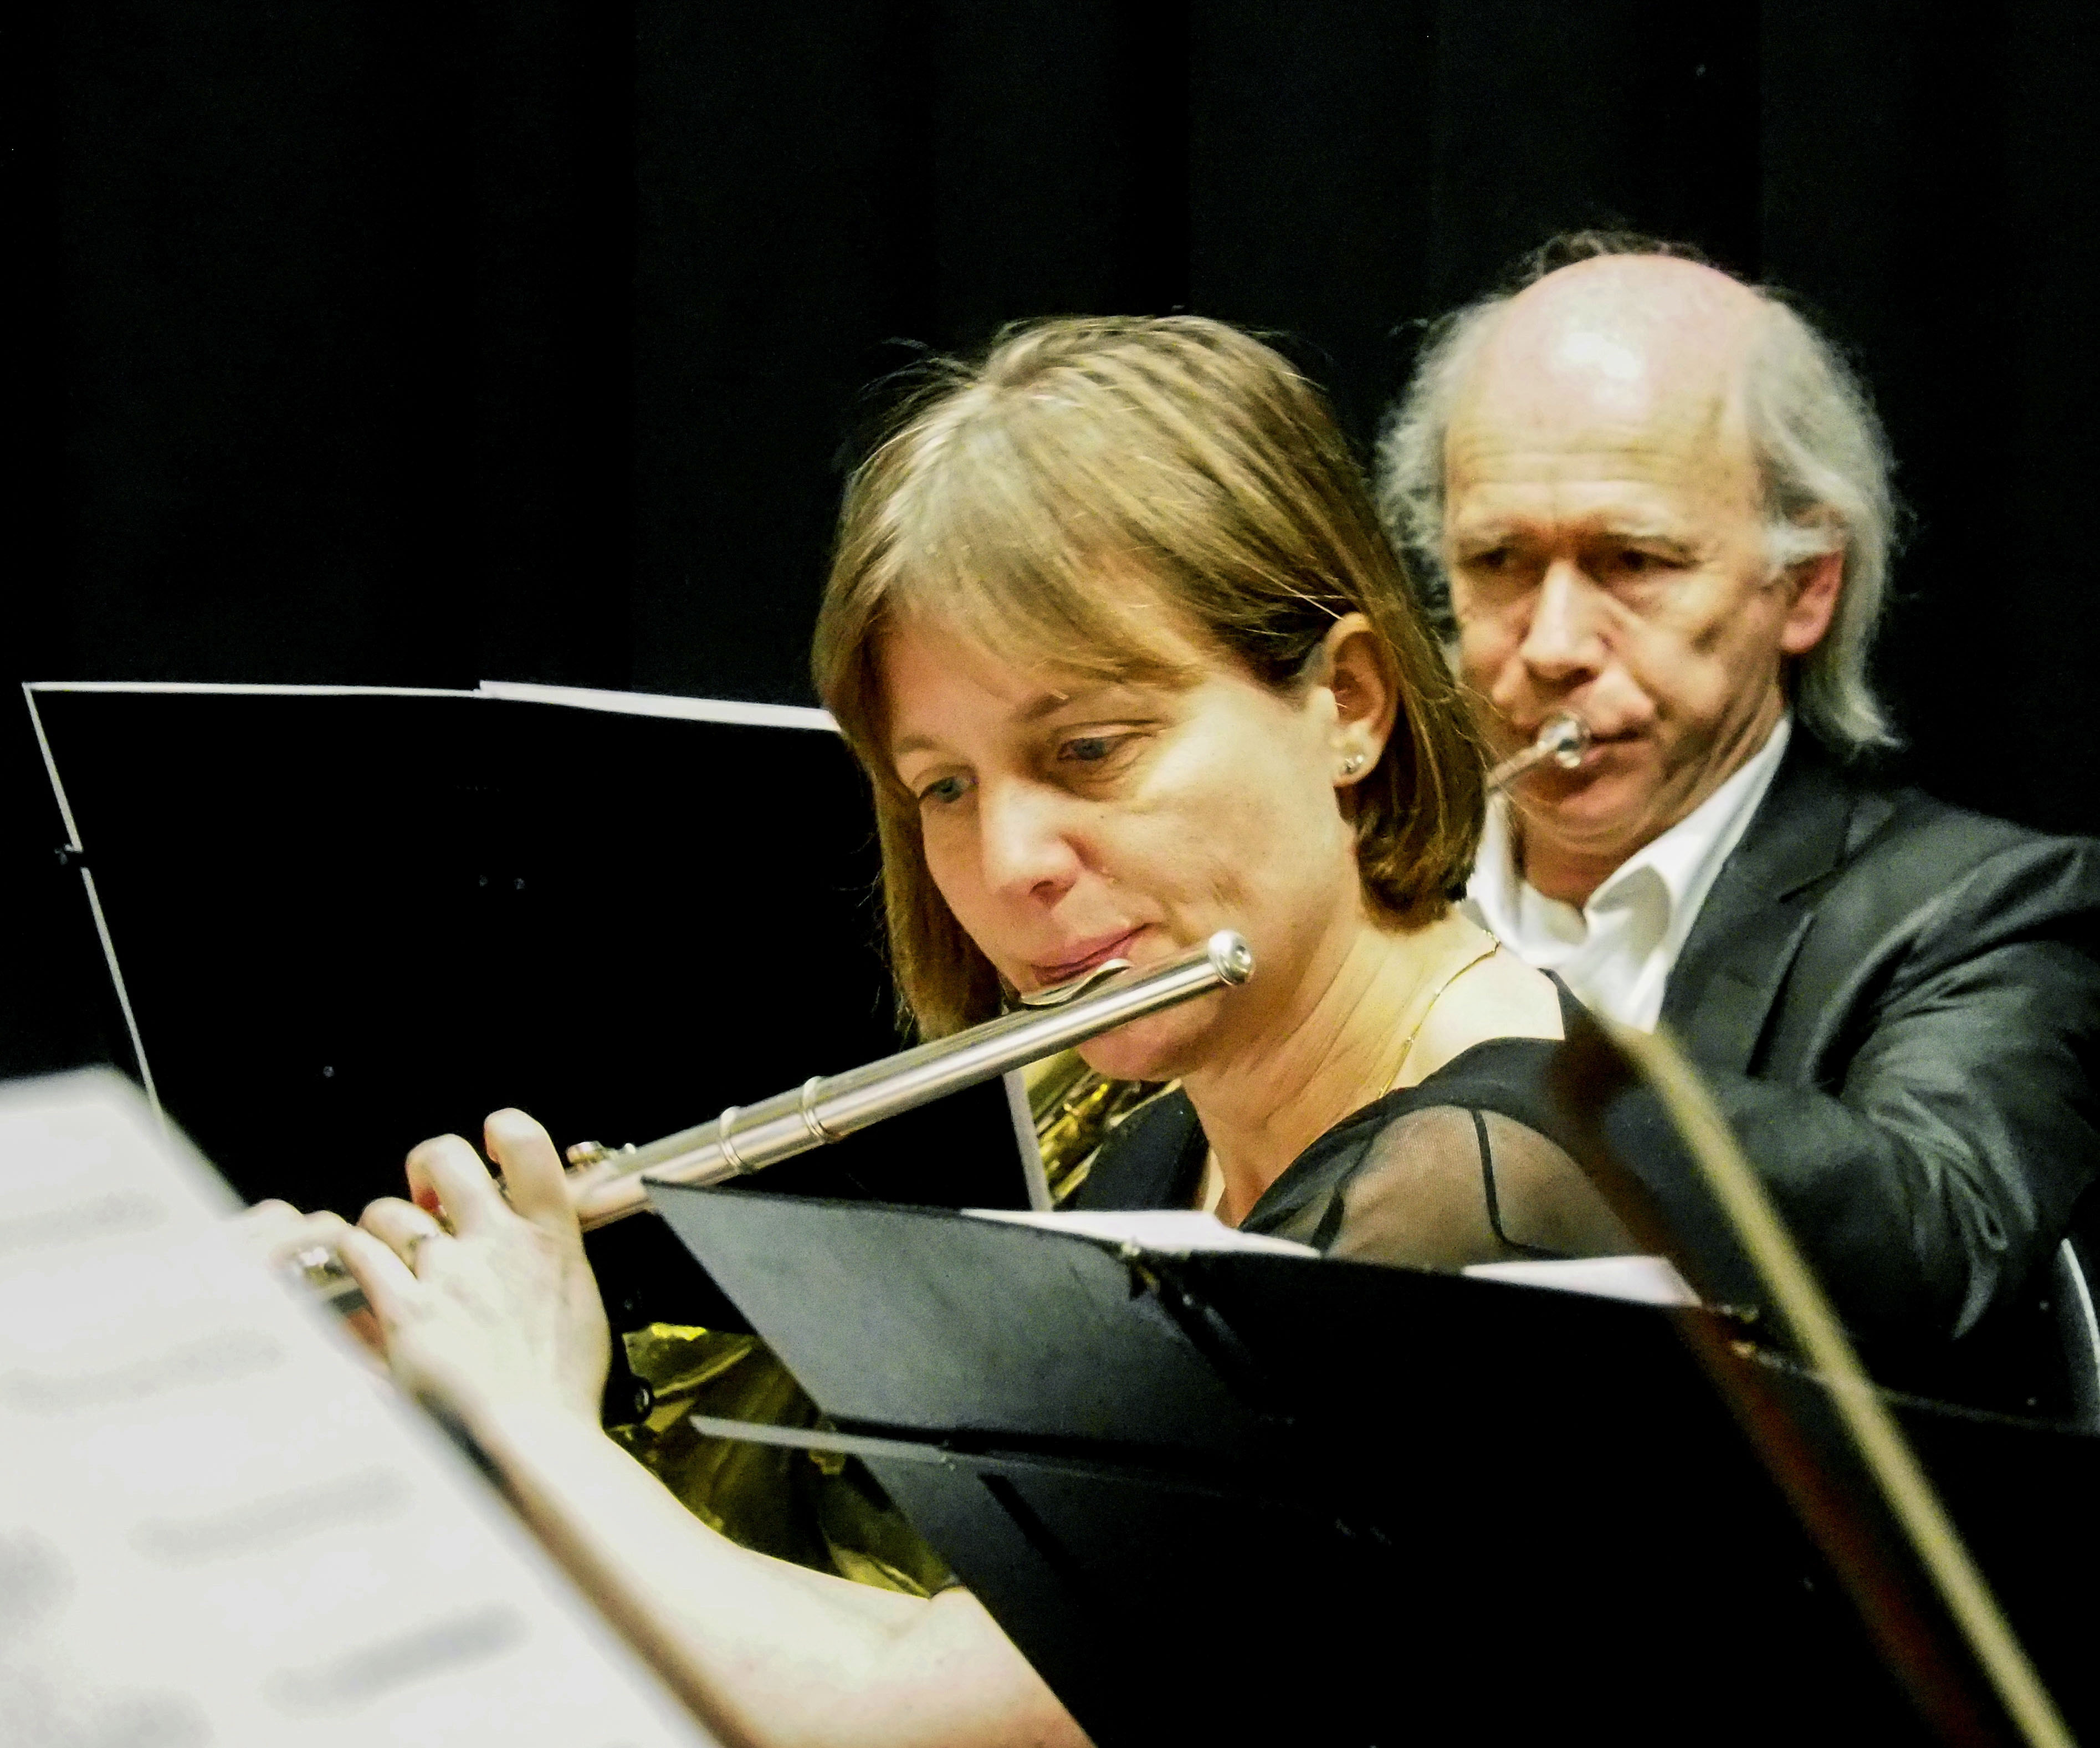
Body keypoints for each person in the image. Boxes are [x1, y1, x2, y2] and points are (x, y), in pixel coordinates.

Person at [257, 315, 1650, 1747]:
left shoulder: (1478, 1189)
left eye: (1087, 749)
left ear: (1344, 704)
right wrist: (442, 1385)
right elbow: (974, 1647)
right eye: (942, 787)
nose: (1007, 862)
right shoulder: (1163, 1153)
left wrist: (526, 1414)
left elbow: (908, 1720)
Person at [1375, 235, 2100, 1392]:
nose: (1551, 646)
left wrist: (1512, 1038)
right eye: (1497, 559)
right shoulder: (1362, 886)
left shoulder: (1983, 909)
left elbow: (1946, 1239)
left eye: (1633, 560)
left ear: (1804, 585)